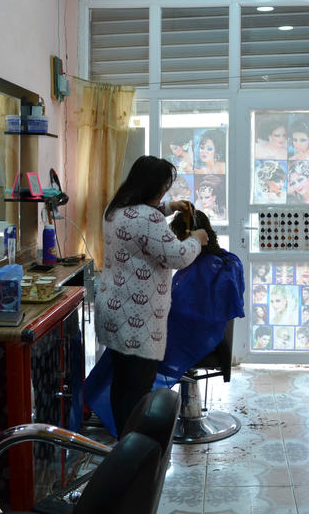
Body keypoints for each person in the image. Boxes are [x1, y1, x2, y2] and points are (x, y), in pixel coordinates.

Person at [95, 155, 209, 436]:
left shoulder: (116, 208)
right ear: (152, 187)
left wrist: (171, 207)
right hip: (137, 319)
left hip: (112, 309)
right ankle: (134, 450)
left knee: (121, 384)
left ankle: (123, 440)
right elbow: (177, 256)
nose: (164, 193)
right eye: (164, 188)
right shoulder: (148, 218)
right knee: (138, 389)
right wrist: (197, 239)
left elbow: (144, 219)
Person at [155, 207, 245, 388]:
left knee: (130, 352)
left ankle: (134, 410)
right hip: (209, 337)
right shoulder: (225, 260)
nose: (177, 243)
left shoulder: (204, 267)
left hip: (196, 340)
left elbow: (183, 311)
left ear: (188, 236)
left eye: (178, 237)